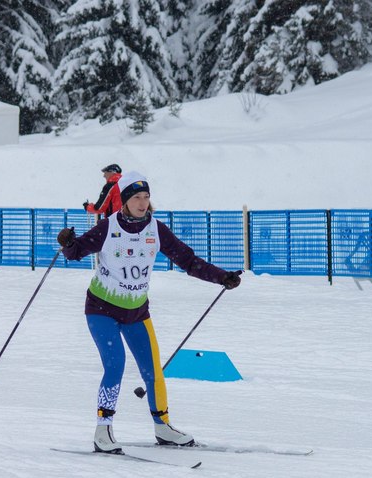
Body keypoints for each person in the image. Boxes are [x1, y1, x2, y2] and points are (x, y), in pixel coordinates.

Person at [57, 171, 243, 454]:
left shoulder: (156, 230)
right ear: (125, 201)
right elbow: (75, 252)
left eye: (146, 197)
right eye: (136, 198)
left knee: (153, 370)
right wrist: (68, 242)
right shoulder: (108, 227)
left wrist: (221, 277)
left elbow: (188, 260)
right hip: (101, 309)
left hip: (136, 313)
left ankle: (163, 427)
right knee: (115, 365)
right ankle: (103, 429)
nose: (142, 203)